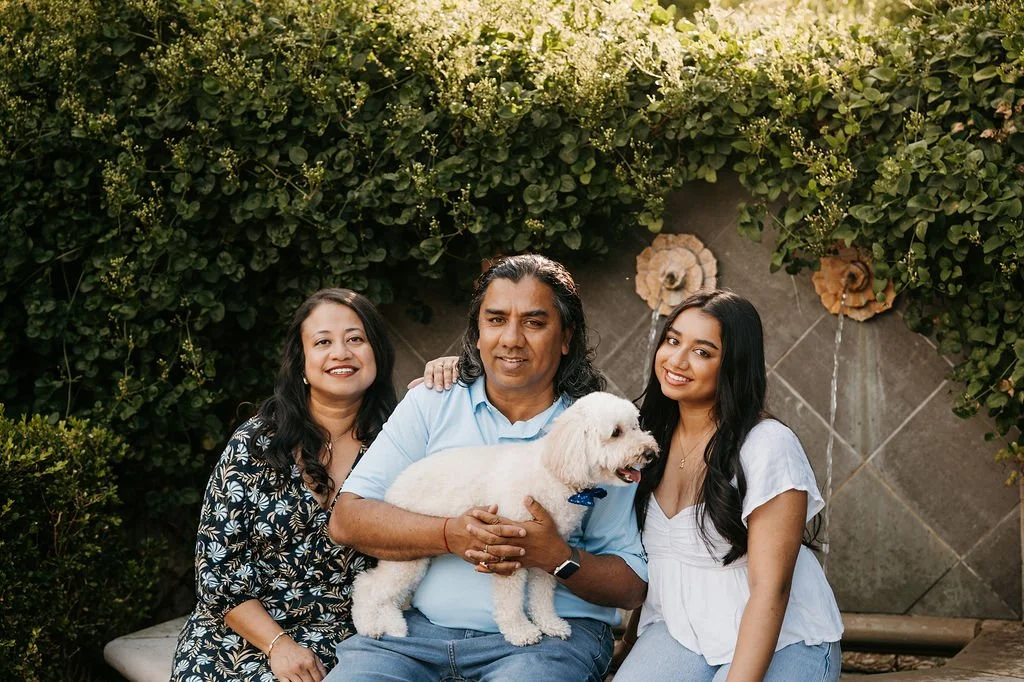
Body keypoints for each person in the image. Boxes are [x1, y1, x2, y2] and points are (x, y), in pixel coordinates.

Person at [325, 254, 647, 682]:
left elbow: (631, 585)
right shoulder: (431, 401)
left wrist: (557, 556)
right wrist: (449, 534)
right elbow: (348, 520)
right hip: (415, 638)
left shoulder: (603, 431)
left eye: (534, 322)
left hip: (547, 646)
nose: (511, 338)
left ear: (566, 336)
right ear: (478, 332)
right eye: (495, 320)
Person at [613, 290, 844, 682]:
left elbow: (773, 590)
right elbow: (662, 564)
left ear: (733, 365)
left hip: (783, 640)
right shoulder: (649, 439)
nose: (677, 361)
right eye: (672, 340)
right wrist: (627, 651)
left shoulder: (767, 445)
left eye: (702, 352)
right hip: (682, 634)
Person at [171, 288, 398, 682]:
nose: (341, 352)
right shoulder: (256, 444)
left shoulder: (397, 445)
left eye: (355, 339)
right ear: (302, 363)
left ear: (376, 351)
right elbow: (217, 573)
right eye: (323, 341)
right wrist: (279, 646)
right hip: (240, 635)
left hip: (348, 643)